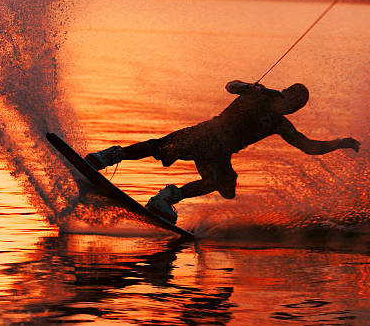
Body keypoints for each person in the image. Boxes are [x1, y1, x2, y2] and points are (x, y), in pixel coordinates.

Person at [85, 80, 360, 223]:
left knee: (226, 187)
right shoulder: (260, 94)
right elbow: (230, 85)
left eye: (298, 106)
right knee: (160, 146)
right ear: (285, 92)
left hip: (220, 153)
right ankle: (107, 157)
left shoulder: (280, 123)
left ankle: (167, 198)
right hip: (207, 134)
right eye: (293, 100)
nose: (293, 107)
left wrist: (340, 143)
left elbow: (308, 146)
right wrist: (247, 88)